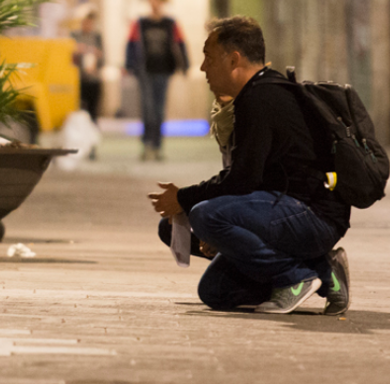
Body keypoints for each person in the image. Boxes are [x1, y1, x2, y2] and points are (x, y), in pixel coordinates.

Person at [147, 16, 351, 315]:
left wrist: (186, 199)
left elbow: (243, 179)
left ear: (234, 59)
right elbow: (249, 181)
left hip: (312, 216)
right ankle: (324, 269)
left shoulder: (263, 97)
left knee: (204, 214)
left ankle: (295, 278)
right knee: (214, 292)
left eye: (208, 57)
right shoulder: (250, 97)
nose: (203, 67)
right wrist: (226, 235)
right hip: (281, 211)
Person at [124, 0, 190, 161]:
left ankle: (158, 146)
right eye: (151, 1)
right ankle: (146, 145)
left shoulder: (170, 23)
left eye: (157, 1)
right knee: (147, 109)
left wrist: (185, 66)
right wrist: (129, 65)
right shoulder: (140, 23)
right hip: (144, 71)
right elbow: (130, 44)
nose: (154, 5)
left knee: (159, 110)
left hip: (164, 70)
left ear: (161, 3)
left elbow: (180, 43)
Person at [70, 9, 104, 123]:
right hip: (79, 79)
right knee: (78, 109)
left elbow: (103, 58)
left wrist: (96, 54)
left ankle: (93, 132)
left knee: (93, 110)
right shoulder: (74, 36)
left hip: (93, 79)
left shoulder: (97, 37)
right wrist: (78, 50)